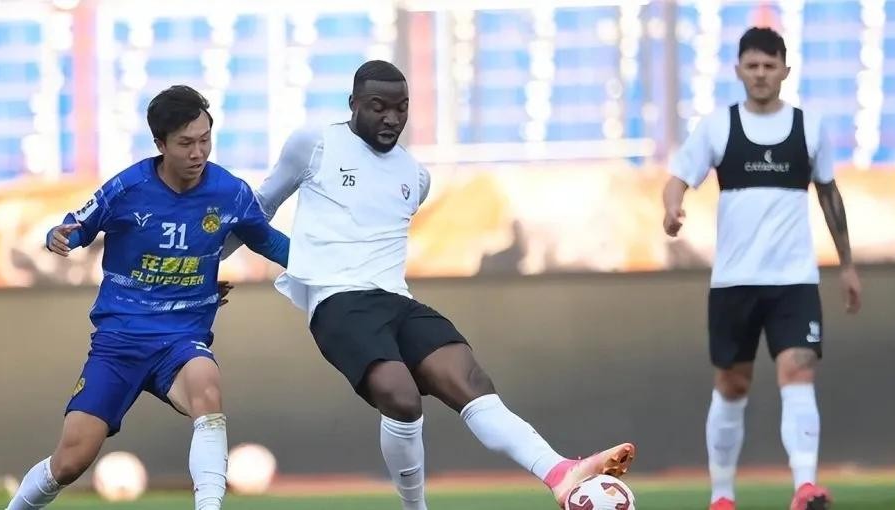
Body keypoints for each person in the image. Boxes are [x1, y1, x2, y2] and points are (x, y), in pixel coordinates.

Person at [224, 60, 635, 510]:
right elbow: (258, 209)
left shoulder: (415, 177)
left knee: (470, 379)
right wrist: (209, 263)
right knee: (400, 397)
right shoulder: (314, 143)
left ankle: (558, 471)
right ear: (353, 104)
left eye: (401, 108)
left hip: (397, 301)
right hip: (340, 303)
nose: (391, 118)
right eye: (378, 107)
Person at [5, 85, 289, 510]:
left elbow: (269, 242)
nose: (198, 152)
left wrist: (328, 267)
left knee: (207, 386)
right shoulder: (127, 188)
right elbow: (77, 226)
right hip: (119, 343)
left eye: (205, 140)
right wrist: (57, 236)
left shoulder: (229, 192)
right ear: (160, 144)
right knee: (70, 462)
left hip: (181, 340)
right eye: (186, 143)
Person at [662, 27, 862, 510]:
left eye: (769, 66)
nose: (760, 74)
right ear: (738, 70)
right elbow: (678, 177)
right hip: (734, 281)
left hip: (795, 280)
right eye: (752, 66)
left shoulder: (809, 128)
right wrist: (671, 207)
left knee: (799, 371)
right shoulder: (718, 127)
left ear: (785, 71)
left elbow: (830, 195)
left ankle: (805, 488)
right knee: (732, 385)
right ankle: (722, 495)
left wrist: (847, 266)